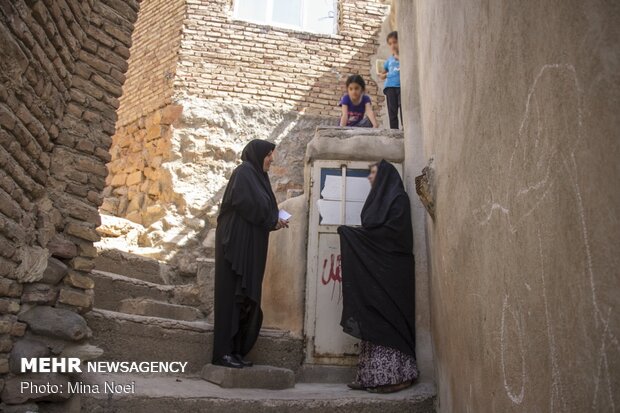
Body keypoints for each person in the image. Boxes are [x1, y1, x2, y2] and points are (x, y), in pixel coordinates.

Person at [337, 160, 418, 393]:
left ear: (385, 176)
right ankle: (371, 376)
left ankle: (398, 377)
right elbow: (373, 233)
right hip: (376, 272)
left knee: (390, 321)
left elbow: (392, 236)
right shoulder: (378, 200)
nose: (370, 178)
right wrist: (354, 235)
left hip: (394, 273)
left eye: (373, 173)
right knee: (372, 317)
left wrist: (355, 236)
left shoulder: (398, 199)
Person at [212, 139, 289, 369]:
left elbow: (265, 207)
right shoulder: (244, 172)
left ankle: (235, 351)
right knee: (230, 296)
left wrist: (274, 220)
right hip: (235, 247)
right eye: (268, 155)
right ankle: (222, 353)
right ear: (258, 154)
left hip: (251, 247)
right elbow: (247, 203)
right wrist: (271, 218)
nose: (271, 159)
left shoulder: (258, 176)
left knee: (245, 297)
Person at [379, 31, 402, 129]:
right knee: (392, 111)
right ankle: (394, 131)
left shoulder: (403, 57)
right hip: (390, 87)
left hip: (401, 86)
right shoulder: (389, 60)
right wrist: (383, 75)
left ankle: (405, 129)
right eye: (390, 43)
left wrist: (398, 56)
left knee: (403, 110)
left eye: (395, 42)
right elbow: (382, 73)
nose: (393, 45)